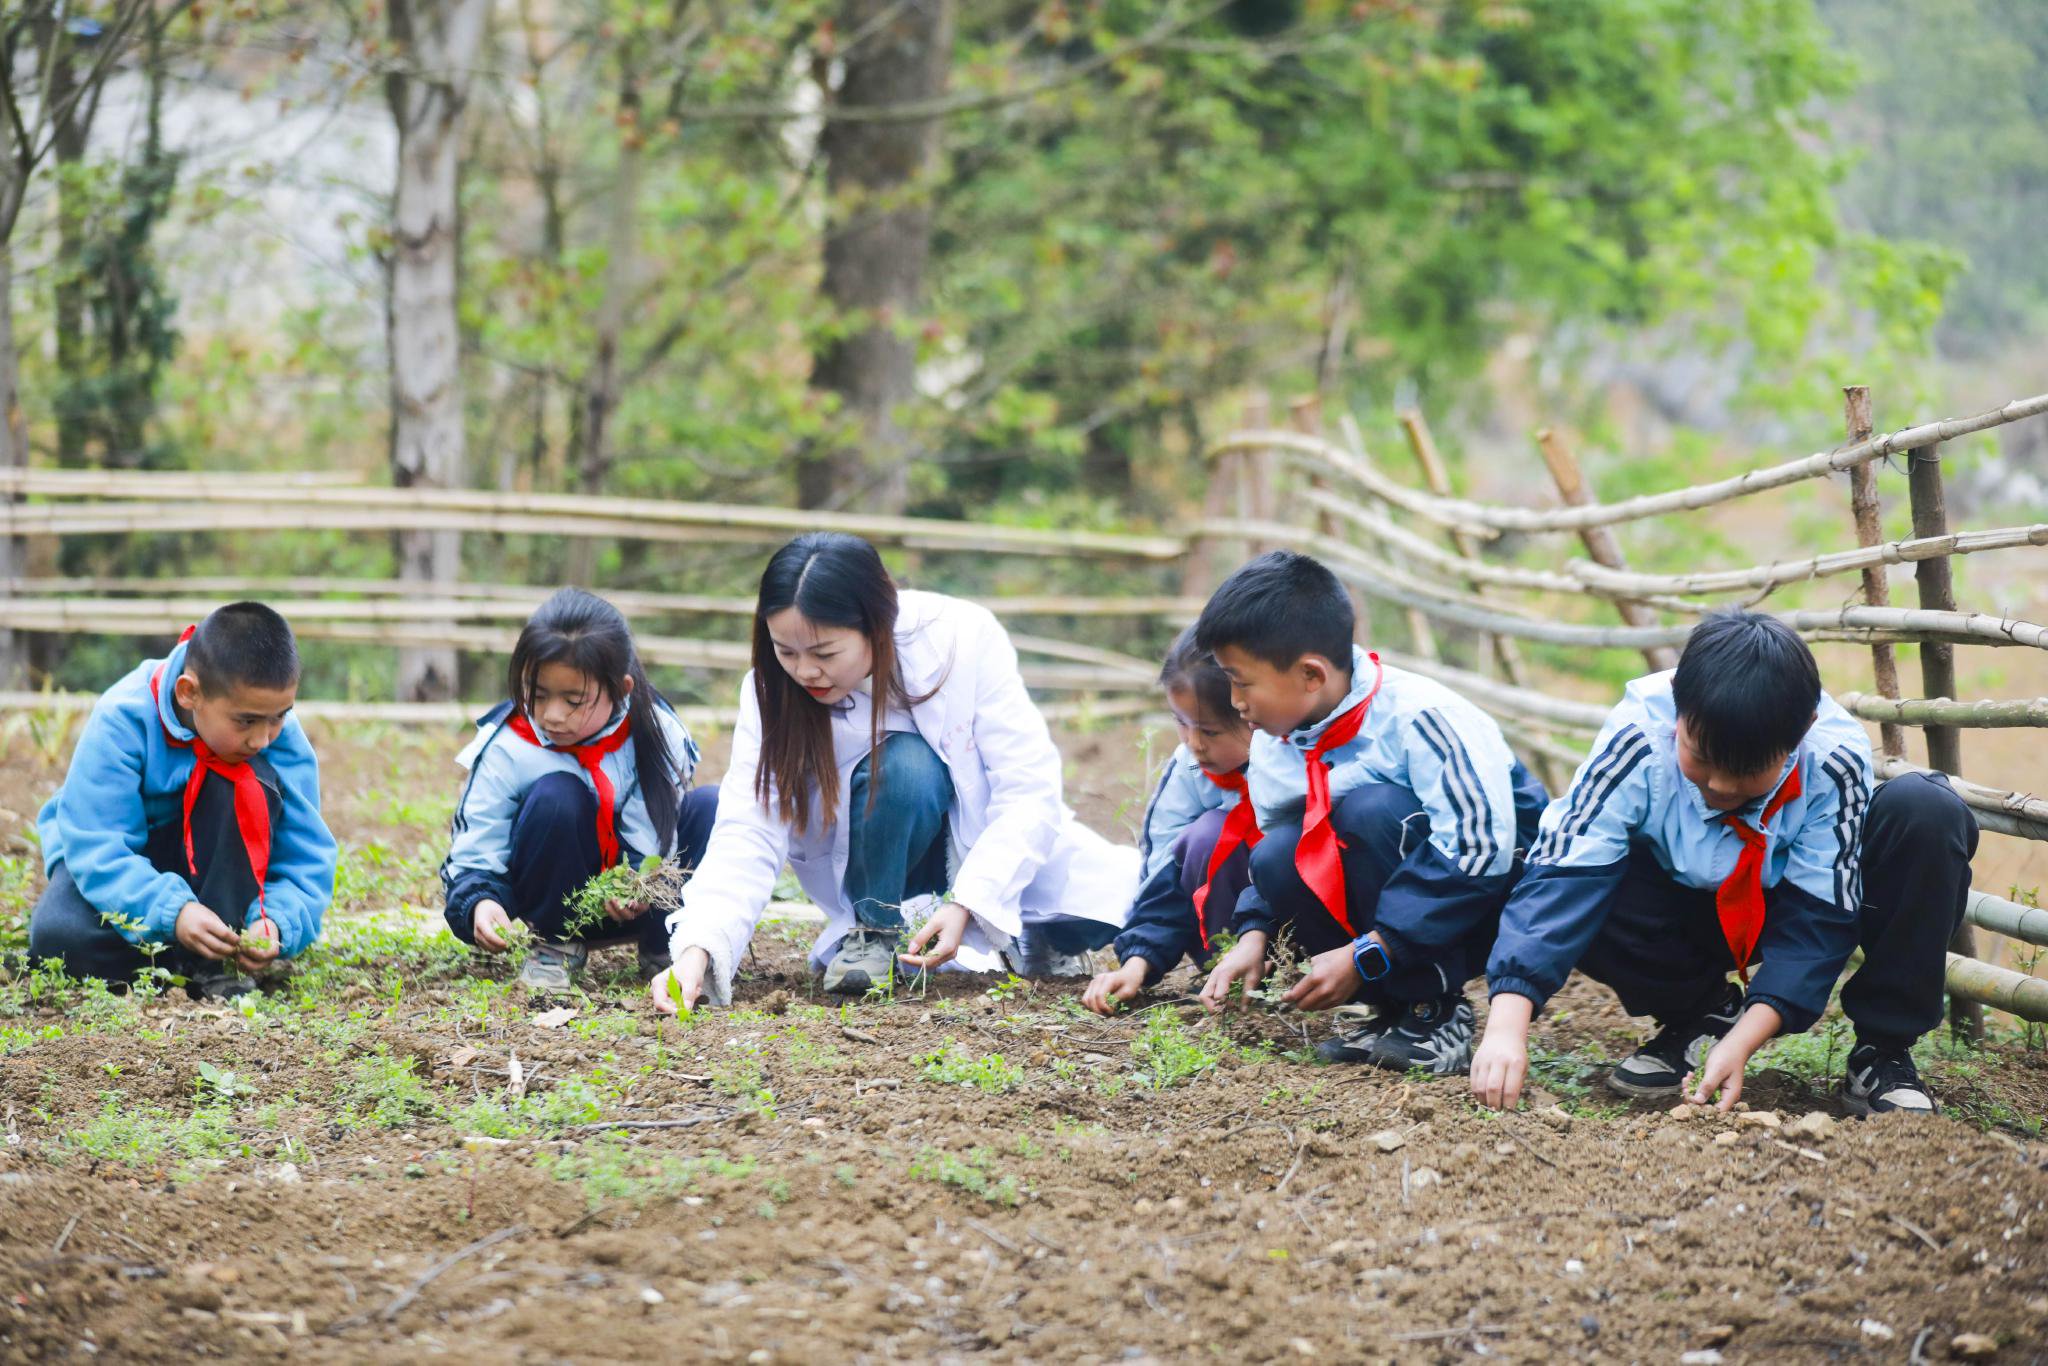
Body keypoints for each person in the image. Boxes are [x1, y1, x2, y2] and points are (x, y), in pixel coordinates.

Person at [1470, 609, 1977, 1116]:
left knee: (1927, 811)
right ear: (1677, 712)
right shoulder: (1638, 735)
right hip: (1678, 911)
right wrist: (1506, 1027)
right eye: (1701, 758)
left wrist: (1743, 1043)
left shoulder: (1830, 759)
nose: (1721, 787)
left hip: (1777, 908)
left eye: (1748, 770)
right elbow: (1566, 872)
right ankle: (1700, 1016)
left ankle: (1882, 1052)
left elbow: (1819, 917)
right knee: (1585, 876)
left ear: (1802, 733)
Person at [651, 532, 1138, 1009]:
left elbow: (1028, 788)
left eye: (824, 653)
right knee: (903, 768)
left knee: (1107, 901)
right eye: (786, 651)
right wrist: (699, 952)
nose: (804, 672)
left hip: (979, 838)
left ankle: (1041, 936)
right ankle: (872, 931)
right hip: (872, 852)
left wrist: (968, 903)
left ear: (876, 626)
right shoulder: (769, 691)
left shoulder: (961, 639)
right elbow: (750, 829)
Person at [1194, 551, 1548, 1073]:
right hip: (1408, 912)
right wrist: (1253, 933)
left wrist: (1370, 952)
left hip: (1498, 896)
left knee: (1371, 809)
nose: (1235, 702)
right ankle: (1395, 1010)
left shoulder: (1422, 718)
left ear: (1311, 674)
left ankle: (1436, 1008)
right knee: (1276, 854)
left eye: (1241, 682)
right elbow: (1281, 857)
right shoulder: (1277, 742)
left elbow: (1480, 853)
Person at [28, 603, 336, 998]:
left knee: (243, 778)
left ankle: (213, 961)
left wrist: (275, 920)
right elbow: (99, 848)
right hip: (130, 864)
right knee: (58, 935)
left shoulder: (277, 734)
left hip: (222, 874)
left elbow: (305, 853)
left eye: (279, 716)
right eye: (246, 721)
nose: (263, 738)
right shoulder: (121, 718)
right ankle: (179, 954)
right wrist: (172, 913)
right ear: (189, 693)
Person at [441, 588, 717, 991]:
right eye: (537, 695)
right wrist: (481, 901)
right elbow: (478, 839)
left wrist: (640, 879)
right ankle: (555, 947)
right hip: (555, 901)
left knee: (711, 806)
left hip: (645, 902)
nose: (552, 715)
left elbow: (663, 825)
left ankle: (673, 947)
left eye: (574, 700)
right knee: (557, 795)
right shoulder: (509, 745)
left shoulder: (658, 730)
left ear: (621, 689)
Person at [1083, 628, 1257, 1015]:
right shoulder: (1189, 769)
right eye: (1181, 723)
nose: (1193, 742)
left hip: (1306, 931)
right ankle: (1226, 972)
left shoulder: (1298, 763)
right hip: (1229, 934)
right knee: (1208, 836)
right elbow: (1165, 873)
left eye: (1209, 730)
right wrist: (1138, 963)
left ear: (1252, 712)